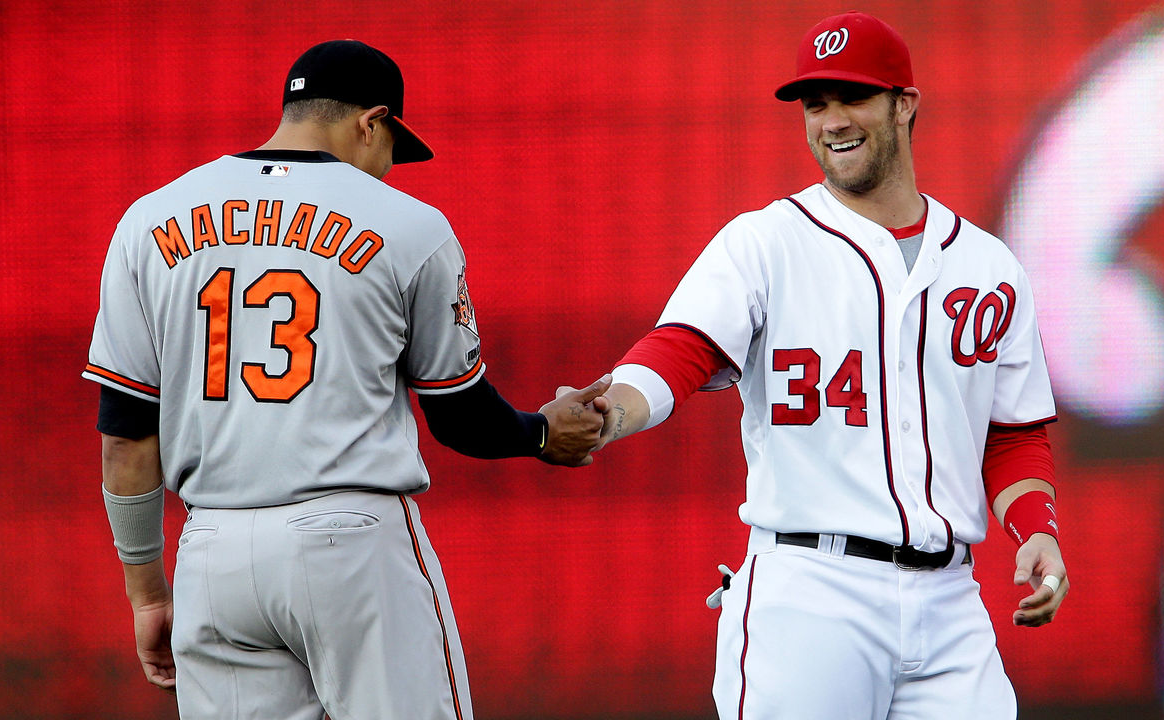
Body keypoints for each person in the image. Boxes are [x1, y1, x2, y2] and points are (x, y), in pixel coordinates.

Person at [84, 39, 609, 720]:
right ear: (372, 121)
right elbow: (461, 417)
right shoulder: (407, 225)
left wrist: (148, 594)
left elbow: (125, 438)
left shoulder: (148, 220)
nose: (389, 167)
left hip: (212, 553)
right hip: (351, 544)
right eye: (393, 148)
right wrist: (542, 434)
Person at [591, 11, 1068, 719]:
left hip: (950, 602)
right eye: (816, 104)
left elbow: (1011, 434)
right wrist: (611, 410)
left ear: (904, 104)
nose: (833, 120)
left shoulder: (988, 266)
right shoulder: (765, 242)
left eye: (854, 97)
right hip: (810, 593)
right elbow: (681, 351)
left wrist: (1037, 531)